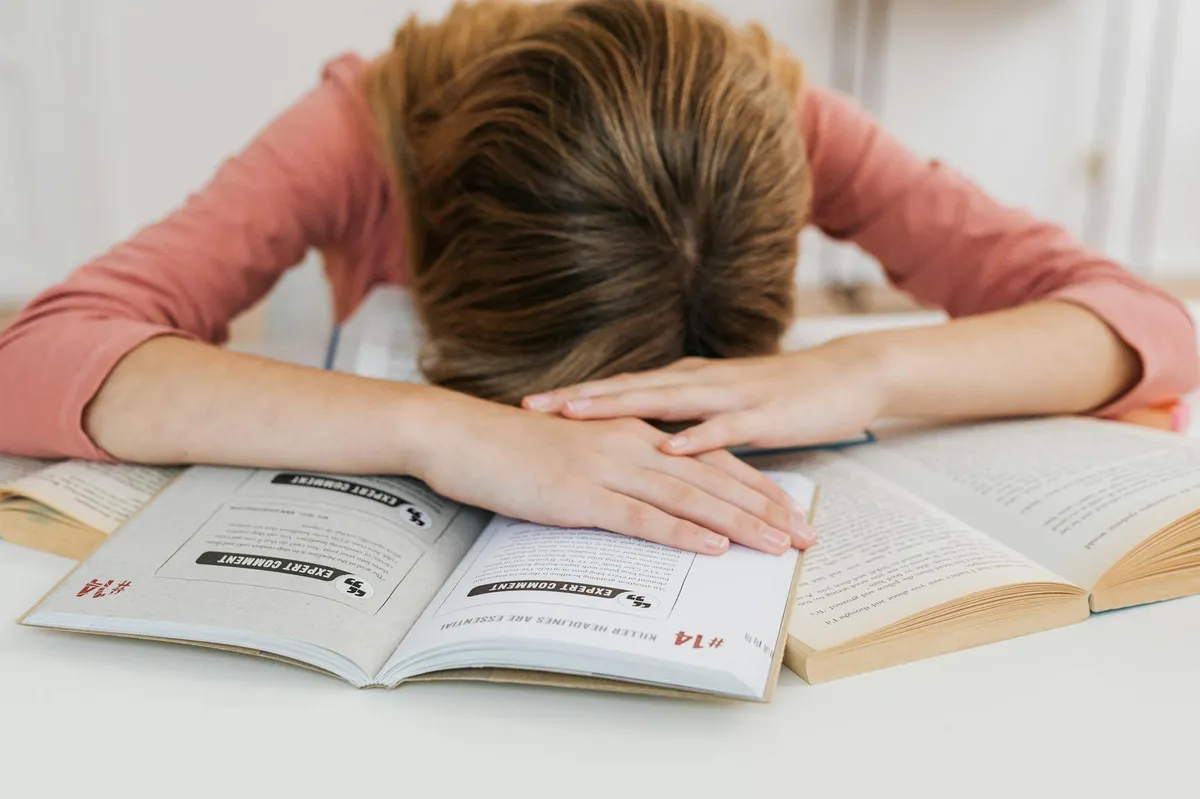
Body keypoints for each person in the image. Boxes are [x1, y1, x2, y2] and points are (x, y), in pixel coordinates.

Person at [0, 0, 1195, 559]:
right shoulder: (365, 124)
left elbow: (1151, 322)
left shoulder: (781, 119)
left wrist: (859, 369)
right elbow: (34, 358)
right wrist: (437, 428)